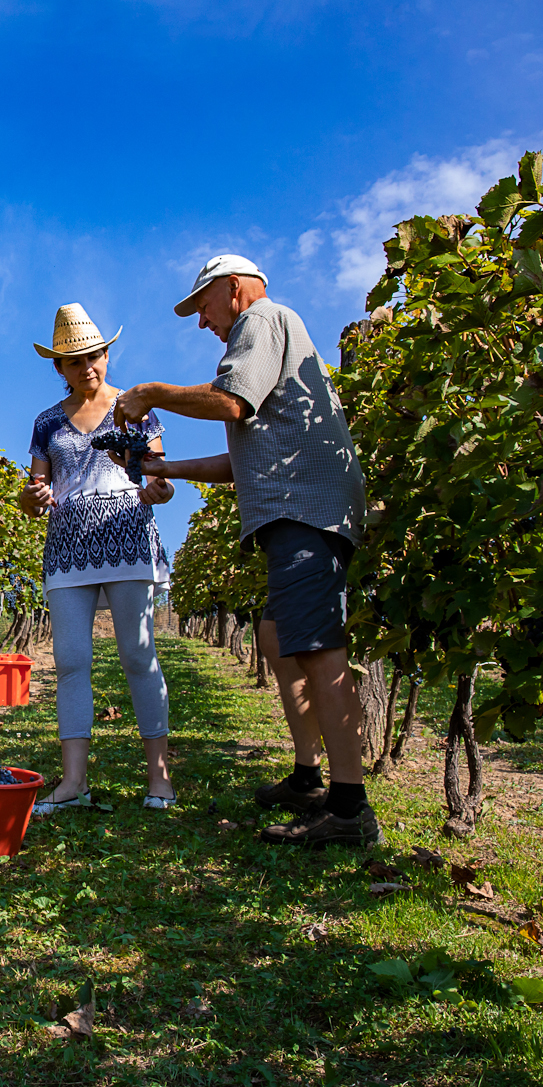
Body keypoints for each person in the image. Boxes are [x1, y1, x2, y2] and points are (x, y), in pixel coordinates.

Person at [114, 254, 378, 848]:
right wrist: (164, 467)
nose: (202, 322)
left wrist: (151, 393)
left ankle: (348, 808)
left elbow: (231, 402)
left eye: (202, 307)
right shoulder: (274, 339)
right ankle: (310, 777)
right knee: (277, 638)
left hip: (304, 511)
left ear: (233, 289)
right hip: (295, 508)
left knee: (318, 650)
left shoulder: (263, 320)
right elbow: (244, 460)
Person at [20, 303, 177, 816]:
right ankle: (73, 782)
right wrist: (32, 498)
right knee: (71, 663)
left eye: (96, 355)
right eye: (75, 361)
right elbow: (34, 489)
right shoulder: (46, 421)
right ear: (59, 369)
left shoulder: (134, 410)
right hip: (67, 545)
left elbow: (158, 475)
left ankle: (160, 778)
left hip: (127, 535)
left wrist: (159, 489)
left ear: (107, 354)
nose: (88, 366)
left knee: (138, 655)